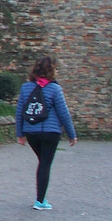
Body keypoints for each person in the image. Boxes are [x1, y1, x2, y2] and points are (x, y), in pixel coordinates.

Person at [15, 56, 76, 210]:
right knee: (45, 164)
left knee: (43, 163)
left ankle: (41, 199)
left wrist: (20, 133)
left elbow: (20, 112)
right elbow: (63, 113)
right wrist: (71, 134)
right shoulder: (55, 88)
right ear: (52, 70)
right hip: (51, 132)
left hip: (31, 132)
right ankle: (40, 201)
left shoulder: (26, 87)